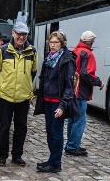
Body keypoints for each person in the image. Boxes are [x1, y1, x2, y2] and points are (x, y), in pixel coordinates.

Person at [0, 22, 38, 167]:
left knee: (21, 127)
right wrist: (4, 86)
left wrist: (26, 87)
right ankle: (2, 156)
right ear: (13, 33)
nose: (21, 37)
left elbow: (33, 73)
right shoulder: (2, 51)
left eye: (24, 34)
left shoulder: (32, 52)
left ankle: (17, 155)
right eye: (19, 34)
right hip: (6, 96)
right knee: (4, 127)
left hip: (23, 97)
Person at [33, 30, 79, 173]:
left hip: (58, 102)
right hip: (47, 99)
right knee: (49, 131)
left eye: (55, 43)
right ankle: (52, 159)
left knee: (57, 132)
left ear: (62, 43)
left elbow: (69, 86)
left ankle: (56, 163)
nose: (52, 45)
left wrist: (62, 106)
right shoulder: (49, 57)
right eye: (51, 42)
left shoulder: (66, 60)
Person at [65, 31, 104, 156]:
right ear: (91, 41)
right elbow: (86, 74)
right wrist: (99, 82)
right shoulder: (87, 53)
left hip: (71, 90)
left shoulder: (74, 51)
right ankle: (72, 147)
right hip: (80, 92)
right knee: (80, 120)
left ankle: (71, 144)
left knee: (72, 119)